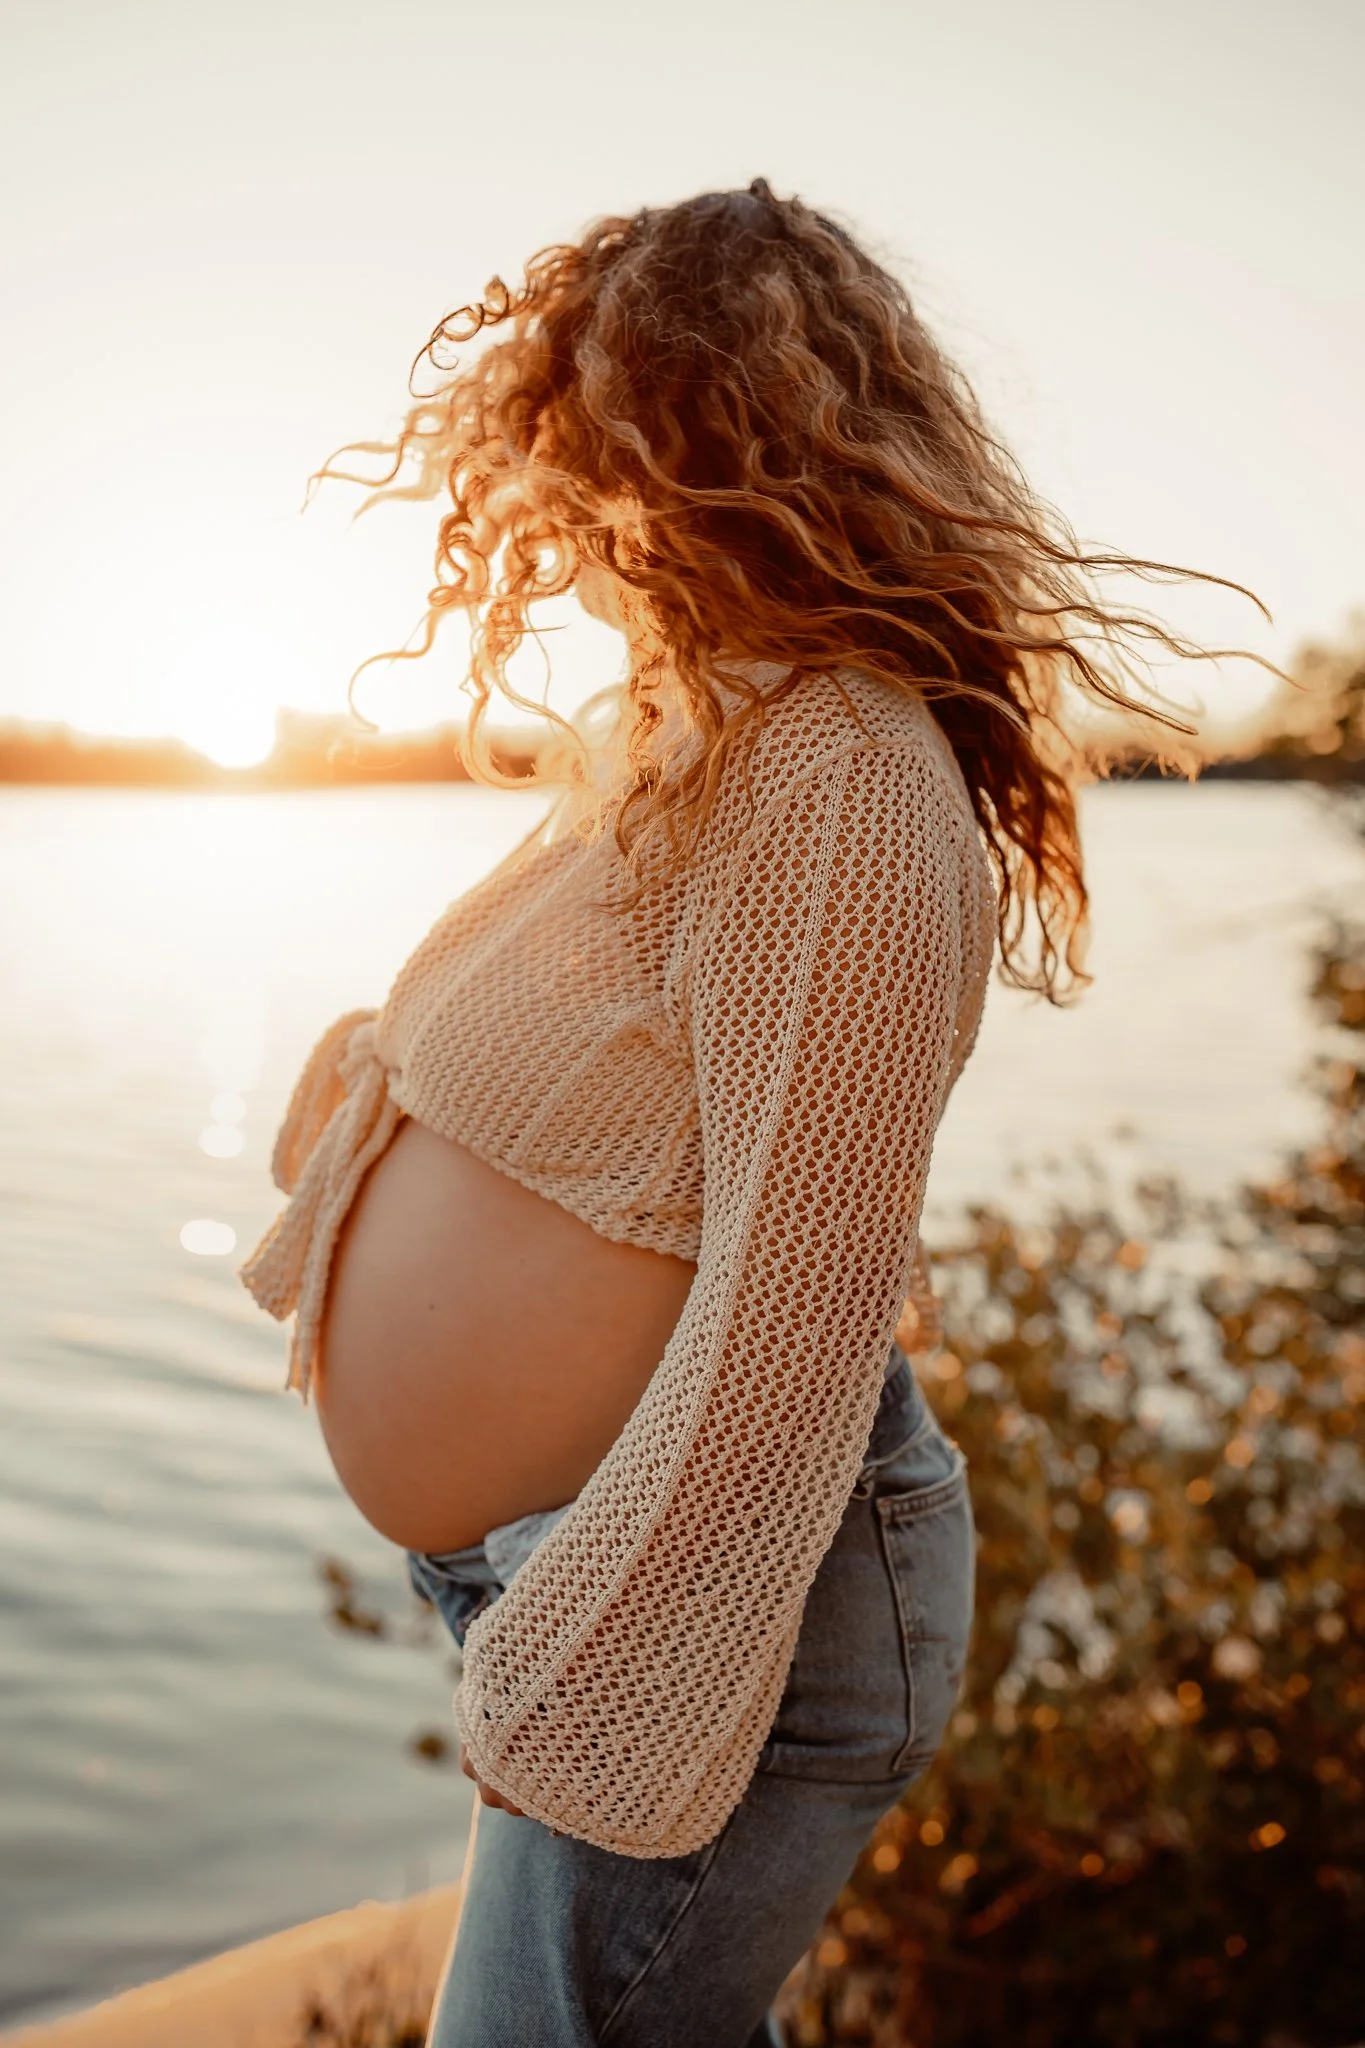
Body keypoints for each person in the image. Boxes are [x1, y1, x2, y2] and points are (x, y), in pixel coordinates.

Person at [239, 180, 1248, 2046]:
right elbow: (604, 1099)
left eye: (610, 448)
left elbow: (809, 1282)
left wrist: (618, 1673)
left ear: (729, 443)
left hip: (728, 1595)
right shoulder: (704, 732)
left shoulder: (847, 771)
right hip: (612, 1561)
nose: (574, 512)